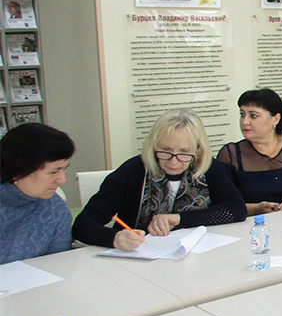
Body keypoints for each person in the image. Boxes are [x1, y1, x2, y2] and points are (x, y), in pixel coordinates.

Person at [73, 109, 246, 250]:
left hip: (193, 256)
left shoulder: (208, 167)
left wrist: (180, 219)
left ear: (198, 149)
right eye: (165, 151)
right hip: (138, 259)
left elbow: (236, 210)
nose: (173, 161)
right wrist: (116, 238)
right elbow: (82, 226)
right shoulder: (133, 171)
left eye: (184, 152)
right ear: (154, 144)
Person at [0, 123, 75, 264]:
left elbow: (57, 265)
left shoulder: (56, 211)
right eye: (53, 172)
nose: (62, 180)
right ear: (19, 170)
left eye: (63, 169)